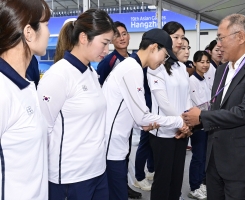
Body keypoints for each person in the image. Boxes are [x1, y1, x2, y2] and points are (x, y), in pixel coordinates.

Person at [182, 14, 245, 200]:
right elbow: (218, 109)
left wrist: (201, 117)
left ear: (240, 37)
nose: (218, 44)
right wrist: (193, 125)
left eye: (220, 38)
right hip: (215, 158)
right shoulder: (222, 70)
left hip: (241, 161)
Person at [37, 9, 116, 200]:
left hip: (97, 170)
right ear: (83, 37)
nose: (107, 51)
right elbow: (42, 130)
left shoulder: (90, 72)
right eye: (104, 43)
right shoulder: (58, 76)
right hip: (70, 177)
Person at [102, 28, 189, 200]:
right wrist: (180, 122)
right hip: (111, 146)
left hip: (117, 143)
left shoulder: (132, 66)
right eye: (165, 54)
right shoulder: (132, 69)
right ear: (153, 47)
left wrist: (143, 124)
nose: (164, 60)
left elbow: (132, 113)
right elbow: (142, 115)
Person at [0, 0, 50, 199]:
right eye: (46, 25)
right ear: (29, 32)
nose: (48, 32)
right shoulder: (3, 89)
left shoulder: (26, 86)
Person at [96, 21, 143, 199]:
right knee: (115, 156)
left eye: (124, 34)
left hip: (130, 117)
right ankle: (116, 186)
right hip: (113, 119)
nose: (122, 38)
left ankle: (124, 183)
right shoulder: (110, 61)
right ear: (111, 39)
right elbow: (101, 88)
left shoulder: (134, 60)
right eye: (117, 35)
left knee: (126, 152)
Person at [147, 22, 192, 200]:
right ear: (164, 39)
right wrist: (182, 123)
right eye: (176, 37)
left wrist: (187, 123)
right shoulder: (156, 66)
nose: (180, 42)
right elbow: (163, 102)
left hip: (182, 131)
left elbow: (187, 96)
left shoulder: (181, 67)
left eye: (182, 37)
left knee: (177, 179)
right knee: (163, 179)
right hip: (163, 132)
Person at [188, 51, 212, 200]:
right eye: (201, 62)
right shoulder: (192, 80)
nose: (205, 65)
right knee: (198, 157)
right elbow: (200, 104)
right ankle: (194, 187)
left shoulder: (205, 79)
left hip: (207, 123)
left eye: (207, 62)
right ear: (195, 63)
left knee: (205, 156)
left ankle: (202, 184)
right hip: (198, 124)